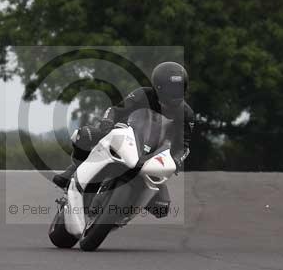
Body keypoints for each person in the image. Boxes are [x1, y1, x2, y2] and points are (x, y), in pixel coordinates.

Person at [53, 61, 194, 191]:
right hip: (127, 139)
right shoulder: (142, 94)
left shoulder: (186, 113)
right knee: (86, 135)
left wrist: (176, 160)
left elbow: (184, 145)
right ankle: (72, 171)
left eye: (179, 88)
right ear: (158, 86)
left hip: (153, 154)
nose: (175, 93)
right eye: (171, 88)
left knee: (162, 207)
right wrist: (107, 123)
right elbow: (116, 110)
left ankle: (126, 211)